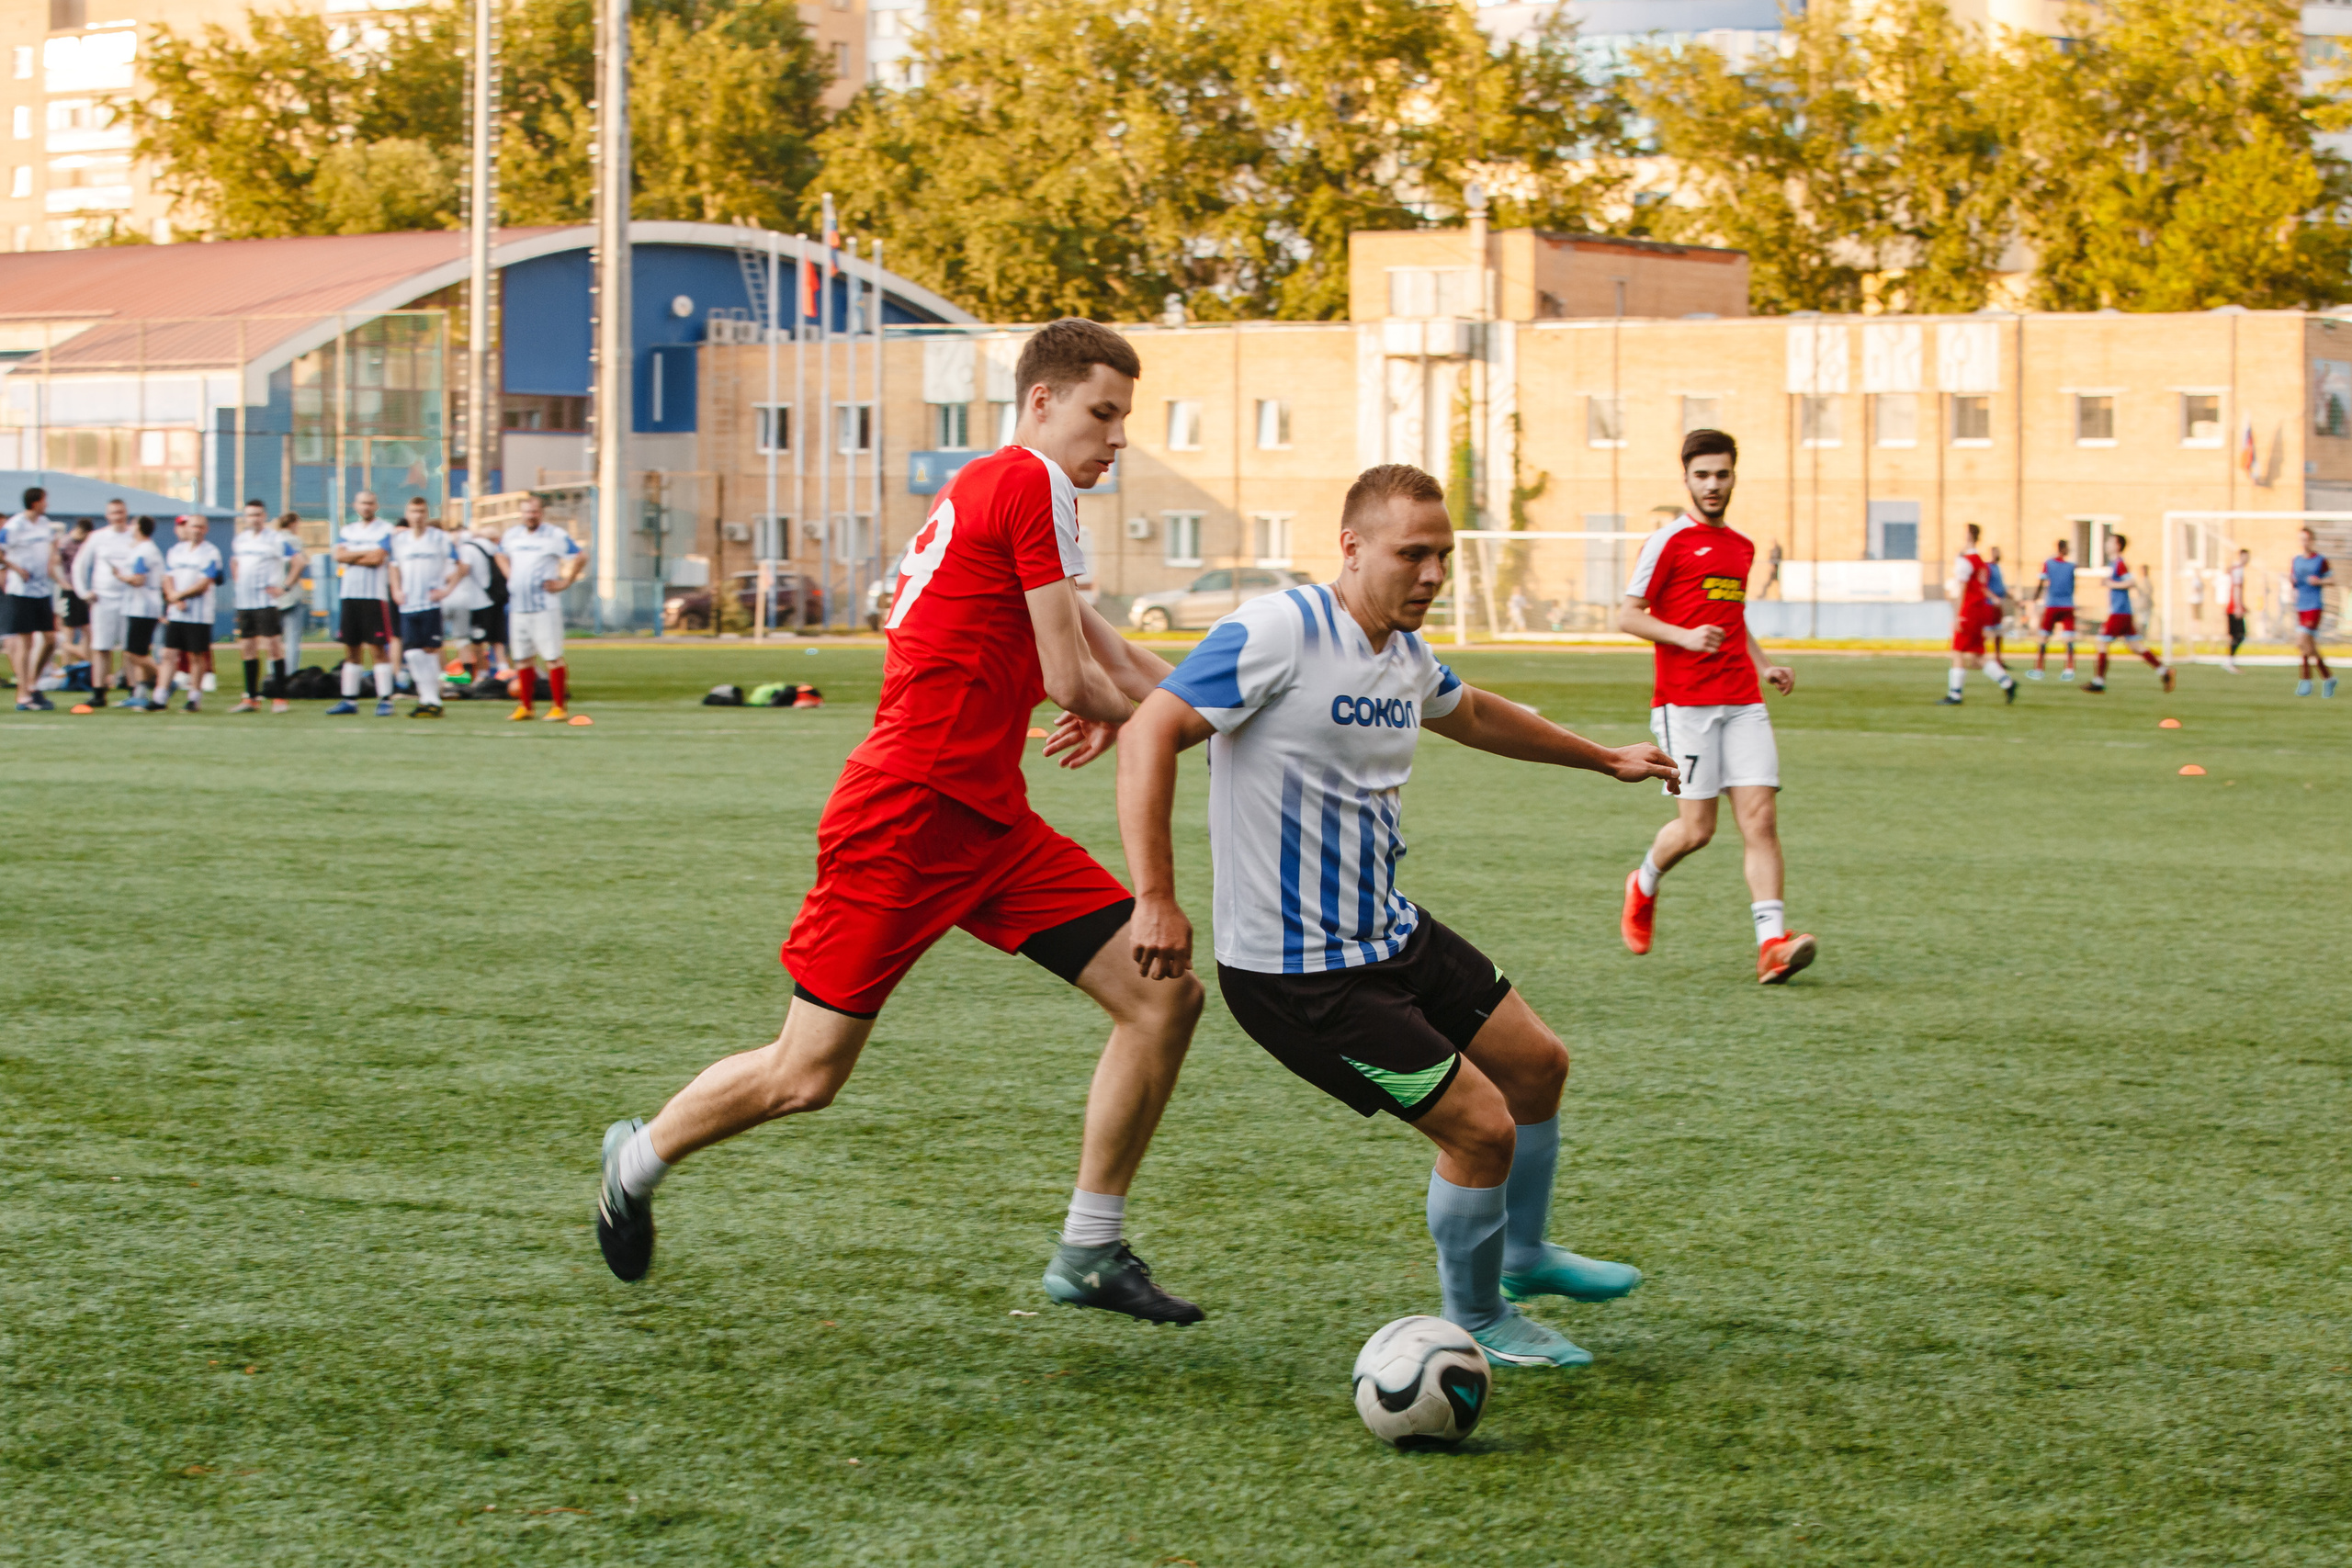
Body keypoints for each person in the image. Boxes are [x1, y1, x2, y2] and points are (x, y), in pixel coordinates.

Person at [594, 318, 1208, 1325]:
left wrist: (1206, 714)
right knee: (804, 1075)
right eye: (1103, 413)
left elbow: (1115, 668)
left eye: (1125, 418)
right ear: (1043, 403)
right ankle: (639, 1156)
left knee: (1161, 1000)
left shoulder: (1007, 490)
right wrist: (1163, 724)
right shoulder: (1025, 481)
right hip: (908, 813)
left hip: (988, 821)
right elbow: (1076, 680)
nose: (1118, 438)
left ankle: (1090, 1249)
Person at [1119, 463, 1676, 1368]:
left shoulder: (1401, 654)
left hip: (1386, 930)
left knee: (1537, 1066)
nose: (1431, 575)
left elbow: (1479, 714)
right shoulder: (1279, 628)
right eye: (1411, 554)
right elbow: (1151, 729)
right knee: (1481, 1126)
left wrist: (1601, 759)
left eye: (1443, 556)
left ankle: (1524, 1255)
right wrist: (1155, 897)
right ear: (1350, 548)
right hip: (1297, 972)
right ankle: (1481, 1317)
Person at [1616, 430, 1817, 985]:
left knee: (1761, 818)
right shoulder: (1667, 542)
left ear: (1734, 476)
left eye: (1722, 474)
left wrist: (1763, 664)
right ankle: (1645, 882)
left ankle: (1771, 944)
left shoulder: (1741, 547)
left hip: (1743, 699)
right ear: (1686, 478)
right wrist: (1682, 636)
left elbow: (1734, 620)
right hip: (1685, 706)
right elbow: (1628, 615)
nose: (1712, 485)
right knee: (1697, 830)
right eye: (1702, 475)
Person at [499, 495, 587, 721]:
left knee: (551, 656)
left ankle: (559, 706)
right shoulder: (512, 535)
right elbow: (499, 554)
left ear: (541, 513)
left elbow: (580, 555)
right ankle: (526, 706)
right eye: (527, 512)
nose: (531, 516)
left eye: (535, 511)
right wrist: (510, 575)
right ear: (521, 513)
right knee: (522, 658)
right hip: (519, 606)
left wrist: (566, 581)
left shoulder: (554, 535)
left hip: (544, 607)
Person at [229, 500, 305, 714]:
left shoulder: (275, 539)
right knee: (247, 648)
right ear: (245, 517)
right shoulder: (240, 540)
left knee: (273, 646)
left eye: (258, 514)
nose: (254, 518)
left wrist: (285, 586)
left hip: (266, 602)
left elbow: (299, 561)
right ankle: (251, 698)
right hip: (245, 602)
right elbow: (235, 562)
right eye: (250, 515)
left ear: (265, 517)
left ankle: (280, 698)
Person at [389, 504, 466, 717]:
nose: (417, 516)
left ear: (427, 514)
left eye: (422, 511)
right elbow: (393, 566)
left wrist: (447, 590)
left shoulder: (440, 538)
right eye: (413, 511)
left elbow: (461, 566)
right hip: (408, 604)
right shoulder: (399, 540)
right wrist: (396, 589)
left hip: (430, 604)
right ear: (407, 514)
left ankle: (432, 700)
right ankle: (427, 697)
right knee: (412, 653)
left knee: (430, 651)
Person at [327, 491, 400, 716]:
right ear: (355, 505)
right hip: (350, 595)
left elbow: (378, 558)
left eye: (370, 503)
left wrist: (353, 555)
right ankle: (349, 699)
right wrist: (364, 554)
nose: (366, 507)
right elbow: (338, 556)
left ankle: (386, 699)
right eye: (362, 503)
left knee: (378, 648)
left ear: (376, 505)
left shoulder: (385, 529)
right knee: (351, 648)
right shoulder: (347, 530)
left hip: (374, 596)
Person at [1939, 524, 2018, 705]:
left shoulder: (1966, 561)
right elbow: (1980, 587)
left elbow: (1963, 589)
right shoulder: (1981, 562)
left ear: (1968, 536)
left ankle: (1955, 694)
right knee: (1976, 654)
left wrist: (1957, 615)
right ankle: (2007, 682)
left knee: (1957, 651)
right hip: (1980, 609)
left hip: (1969, 610)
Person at [2086, 532, 2173, 694]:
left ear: (2118, 545)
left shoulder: (2120, 563)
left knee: (2102, 643)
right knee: (2136, 646)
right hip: (2123, 612)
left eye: (2110, 542)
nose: (2107, 544)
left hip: (2119, 613)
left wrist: (2110, 583)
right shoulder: (2114, 564)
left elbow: (2131, 582)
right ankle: (2164, 671)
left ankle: (2098, 682)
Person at [3, 485, 66, 710]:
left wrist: (59, 578)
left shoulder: (45, 524)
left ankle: (32, 682)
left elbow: (51, 553)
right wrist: (16, 568)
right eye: (44, 500)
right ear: (35, 502)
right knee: (25, 642)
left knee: (50, 639)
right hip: (21, 591)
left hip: (42, 590)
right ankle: (23, 694)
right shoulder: (14, 526)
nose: (47, 504)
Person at [155, 514, 223, 713]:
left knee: (196, 656)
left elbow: (204, 582)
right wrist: (174, 598)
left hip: (199, 614)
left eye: (201, 527)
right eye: (194, 526)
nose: (197, 530)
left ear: (206, 529)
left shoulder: (211, 553)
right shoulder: (176, 551)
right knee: (168, 653)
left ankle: (194, 697)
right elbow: (167, 577)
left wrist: (180, 595)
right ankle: (160, 697)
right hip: (177, 612)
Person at [2289, 527, 2335, 697]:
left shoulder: (2320, 560)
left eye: (2307, 539)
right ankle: (2328, 678)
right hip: (2301, 606)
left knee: (2302, 641)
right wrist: (2292, 583)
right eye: (2301, 539)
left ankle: (2306, 680)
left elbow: (2332, 580)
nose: (2304, 543)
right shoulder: (2296, 561)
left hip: (2314, 606)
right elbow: (2295, 582)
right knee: (2307, 646)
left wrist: (2320, 581)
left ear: (2312, 541)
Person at [2029, 538, 2078, 682]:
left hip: (2052, 605)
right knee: (2069, 639)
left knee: (2043, 638)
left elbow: (2041, 582)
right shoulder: (2071, 566)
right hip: (2067, 605)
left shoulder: (2048, 563)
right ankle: (2069, 669)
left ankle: (2039, 669)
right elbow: (2074, 585)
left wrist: (2035, 598)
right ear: (2063, 548)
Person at [56, 518, 94, 680]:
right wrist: (62, 583)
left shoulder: (86, 544)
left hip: (82, 590)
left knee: (87, 629)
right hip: (69, 591)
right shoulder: (64, 544)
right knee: (69, 630)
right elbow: (54, 565)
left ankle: (82, 664)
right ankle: (67, 667)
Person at [2222, 547, 2250, 674]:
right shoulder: (2238, 570)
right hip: (2233, 608)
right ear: (2241, 557)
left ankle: (2229, 661)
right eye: (2246, 556)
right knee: (2239, 635)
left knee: (2236, 635)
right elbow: (2237, 589)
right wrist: (2239, 607)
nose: (2248, 559)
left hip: (2232, 606)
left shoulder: (2235, 569)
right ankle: (2229, 661)